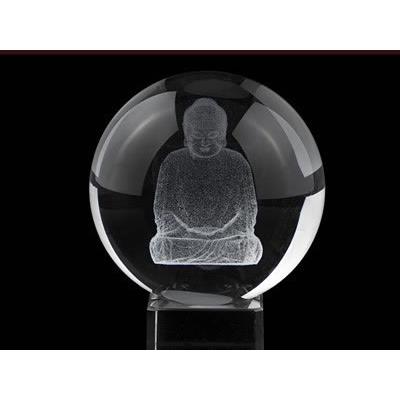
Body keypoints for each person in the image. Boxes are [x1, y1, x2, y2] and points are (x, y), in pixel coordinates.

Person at [149, 98, 262, 265]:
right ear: (187, 137)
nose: (204, 141)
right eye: (197, 135)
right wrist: (186, 232)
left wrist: (223, 233)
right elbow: (162, 210)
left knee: (247, 245)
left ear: (223, 137)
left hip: (228, 239)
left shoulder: (237, 162)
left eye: (212, 135)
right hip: (182, 239)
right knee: (163, 246)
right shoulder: (173, 161)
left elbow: (248, 211)